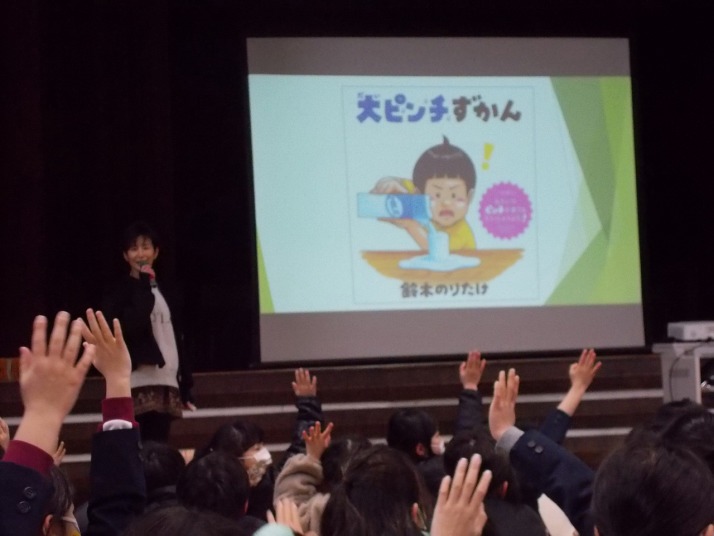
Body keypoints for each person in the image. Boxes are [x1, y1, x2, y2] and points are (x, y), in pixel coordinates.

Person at [101, 221, 194, 442]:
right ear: (125, 256)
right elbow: (133, 324)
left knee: (160, 447)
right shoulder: (119, 293)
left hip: (167, 379)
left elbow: (177, 338)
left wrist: (186, 384)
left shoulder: (167, 290)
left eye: (145, 247)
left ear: (156, 252)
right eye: (134, 248)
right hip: (137, 381)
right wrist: (143, 284)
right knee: (139, 447)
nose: (141, 254)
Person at [387, 350, 485, 498]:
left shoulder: (382, 477)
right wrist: (471, 387)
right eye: (436, 436)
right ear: (421, 449)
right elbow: (466, 442)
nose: (441, 441)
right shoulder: (437, 474)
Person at [371, 136, 477, 251]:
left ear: (469, 197)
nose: (446, 203)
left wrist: (410, 225)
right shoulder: (418, 193)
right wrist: (386, 184)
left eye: (454, 196)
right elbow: (393, 182)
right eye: (437, 195)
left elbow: (439, 251)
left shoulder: (462, 233)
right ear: (419, 195)